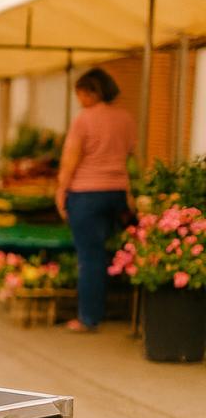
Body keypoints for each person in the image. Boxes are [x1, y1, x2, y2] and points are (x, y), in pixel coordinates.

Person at [56, 67, 136, 333]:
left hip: (86, 194)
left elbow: (71, 158)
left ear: (91, 92)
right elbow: (130, 155)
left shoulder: (84, 119)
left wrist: (60, 190)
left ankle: (88, 318)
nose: (79, 99)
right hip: (116, 194)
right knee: (109, 253)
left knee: (90, 257)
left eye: (79, 93)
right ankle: (116, 310)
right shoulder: (125, 118)